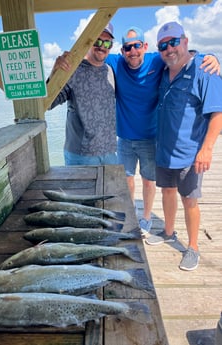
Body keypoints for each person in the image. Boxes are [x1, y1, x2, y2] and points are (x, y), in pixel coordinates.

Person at [106, 26, 220, 236]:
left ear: (145, 46)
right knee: (127, 180)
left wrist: (211, 57)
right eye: (127, 47)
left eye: (137, 45)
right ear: (122, 51)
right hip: (124, 138)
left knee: (149, 181)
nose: (133, 51)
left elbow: (186, 55)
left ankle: (147, 218)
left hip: (151, 137)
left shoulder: (156, 60)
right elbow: (92, 57)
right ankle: (133, 216)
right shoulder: (116, 62)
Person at [145, 21, 222, 271]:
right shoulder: (163, 70)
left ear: (185, 41)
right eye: (163, 45)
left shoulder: (204, 70)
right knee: (167, 192)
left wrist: (207, 148)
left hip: (190, 155)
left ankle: (193, 247)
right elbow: (132, 56)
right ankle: (169, 232)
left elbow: (217, 113)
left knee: (190, 200)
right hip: (164, 151)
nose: (169, 49)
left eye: (174, 42)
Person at [47, 23, 117, 166]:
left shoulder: (110, 71)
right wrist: (54, 74)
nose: (102, 46)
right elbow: (48, 103)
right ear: (89, 42)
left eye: (107, 42)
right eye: (97, 41)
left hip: (110, 153)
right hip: (80, 156)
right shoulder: (71, 71)